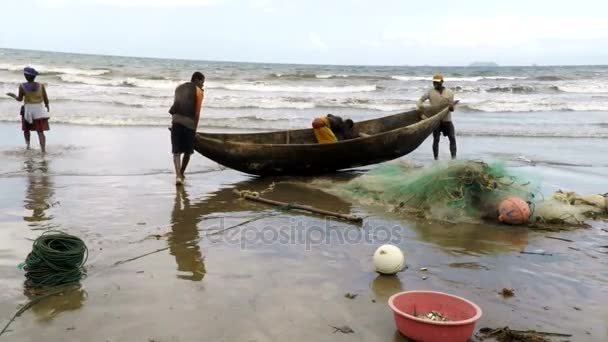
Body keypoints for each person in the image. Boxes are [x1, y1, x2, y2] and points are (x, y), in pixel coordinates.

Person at [169, 72, 205, 186]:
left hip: (175, 121)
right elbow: (197, 113)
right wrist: (194, 129)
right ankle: (182, 172)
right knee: (188, 151)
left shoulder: (178, 87)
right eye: (202, 82)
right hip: (189, 123)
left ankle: (178, 176)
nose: (203, 85)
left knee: (176, 151)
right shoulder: (199, 92)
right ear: (196, 80)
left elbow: (176, 105)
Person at [6, 67, 50, 153]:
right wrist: (47, 105)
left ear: (26, 76)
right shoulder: (41, 86)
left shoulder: (22, 86)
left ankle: (28, 146)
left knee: (26, 130)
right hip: (39, 110)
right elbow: (45, 97)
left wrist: (13, 95)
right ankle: (43, 150)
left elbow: (19, 99)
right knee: (40, 132)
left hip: (28, 110)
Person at [416, 74, 458, 160]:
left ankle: (454, 159)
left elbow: (452, 109)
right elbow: (420, 100)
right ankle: (436, 159)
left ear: (442, 82)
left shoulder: (450, 92)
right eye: (434, 82)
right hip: (436, 120)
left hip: (447, 120)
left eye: (437, 82)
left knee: (452, 138)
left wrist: (451, 107)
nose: (435, 84)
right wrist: (421, 108)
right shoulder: (430, 92)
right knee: (436, 140)